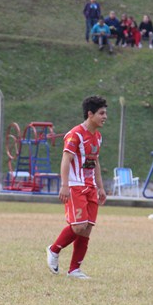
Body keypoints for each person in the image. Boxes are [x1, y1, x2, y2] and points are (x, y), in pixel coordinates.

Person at [46, 96, 108, 279]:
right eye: (101, 113)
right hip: (75, 186)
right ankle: (54, 249)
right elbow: (66, 159)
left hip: (90, 187)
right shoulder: (76, 134)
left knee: (87, 228)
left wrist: (100, 187)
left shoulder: (98, 137)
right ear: (90, 114)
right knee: (79, 226)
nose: (105, 117)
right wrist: (64, 185)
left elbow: (95, 162)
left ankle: (74, 269)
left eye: (105, 113)